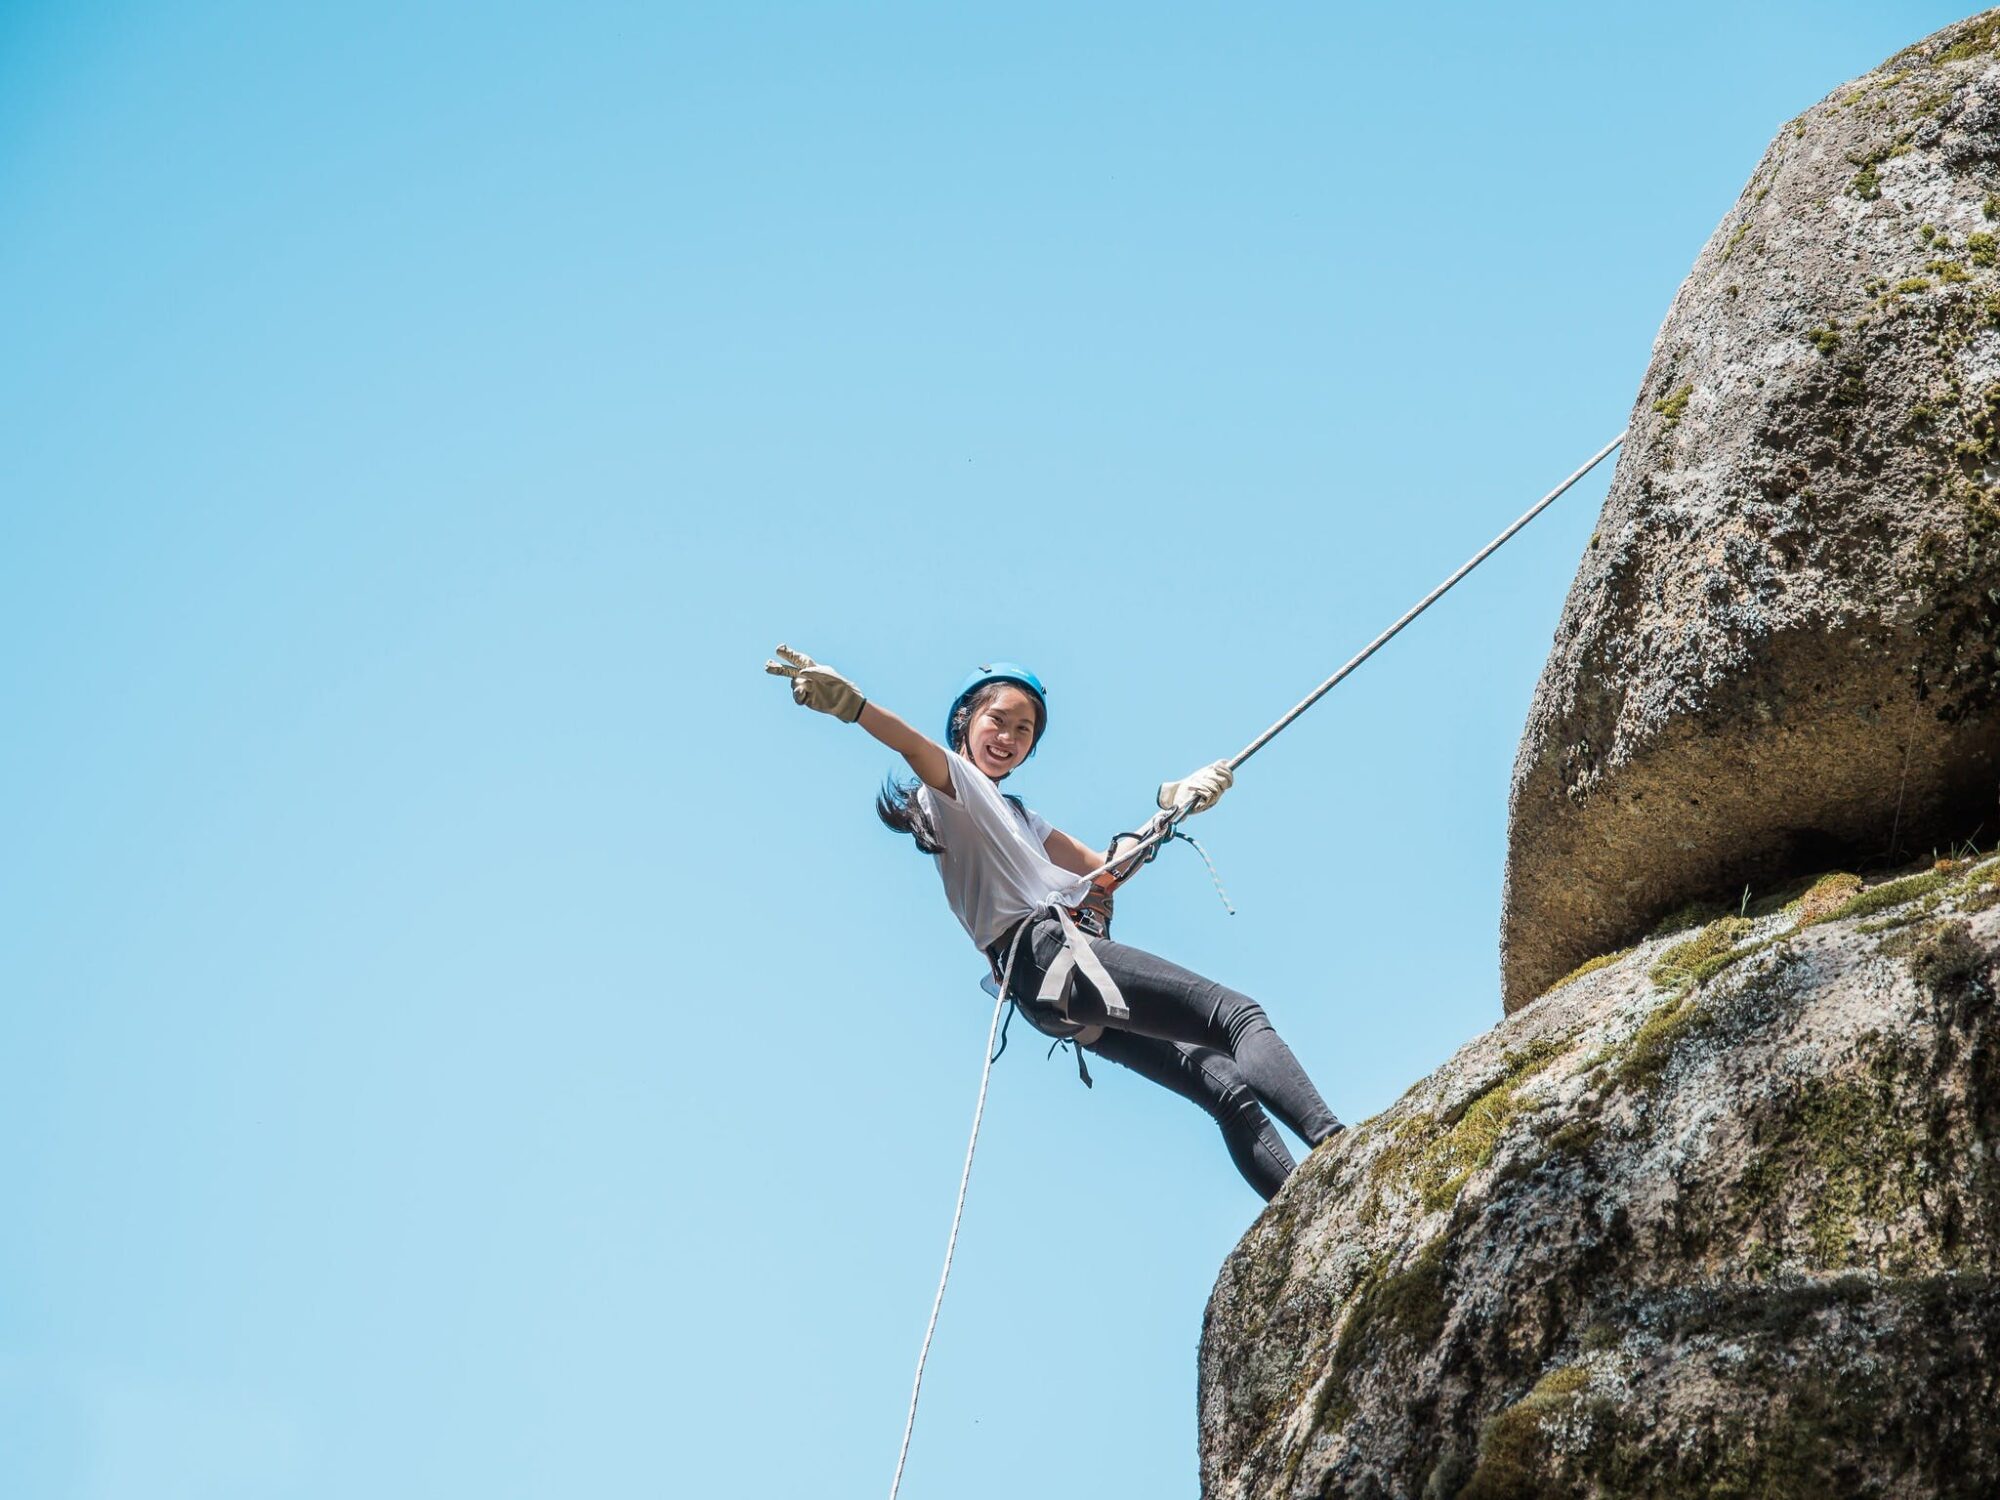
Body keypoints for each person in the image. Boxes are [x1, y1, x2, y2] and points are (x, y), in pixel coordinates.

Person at [764, 644, 1342, 1200]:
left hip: (1049, 988)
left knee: (1222, 1084)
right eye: (999, 720)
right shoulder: (955, 787)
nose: (1008, 739)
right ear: (965, 721)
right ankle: (1340, 1151)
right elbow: (914, 746)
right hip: (1048, 954)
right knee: (1235, 1017)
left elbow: (1104, 870)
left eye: (1024, 732)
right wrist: (856, 709)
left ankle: (1301, 1209)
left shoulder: (1015, 814)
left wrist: (1171, 809)